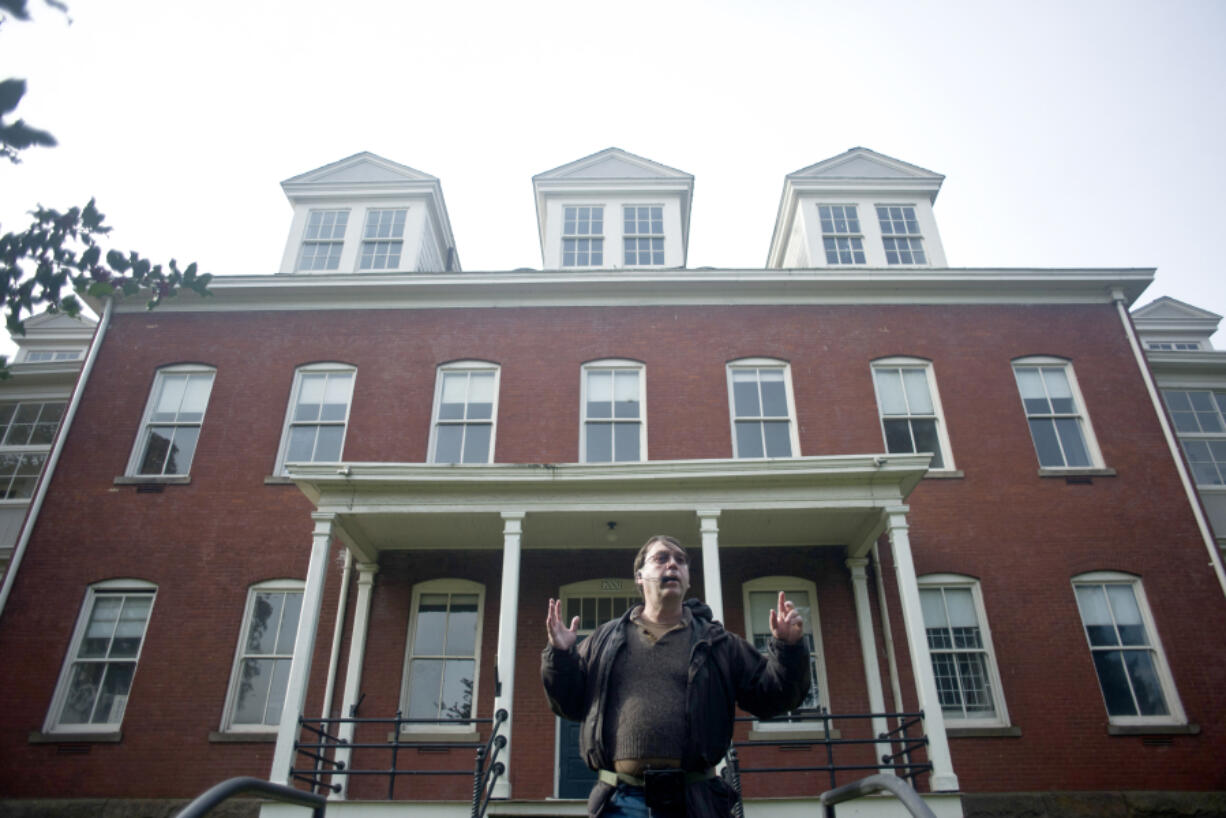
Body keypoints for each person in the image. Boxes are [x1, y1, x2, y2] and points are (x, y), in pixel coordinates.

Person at [541, 535, 811, 817]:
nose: (672, 565)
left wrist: (788, 649)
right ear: (639, 577)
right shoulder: (604, 640)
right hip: (621, 801)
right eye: (661, 558)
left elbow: (773, 697)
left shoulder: (718, 643)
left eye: (680, 561)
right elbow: (568, 704)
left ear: (688, 579)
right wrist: (561, 656)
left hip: (694, 800)